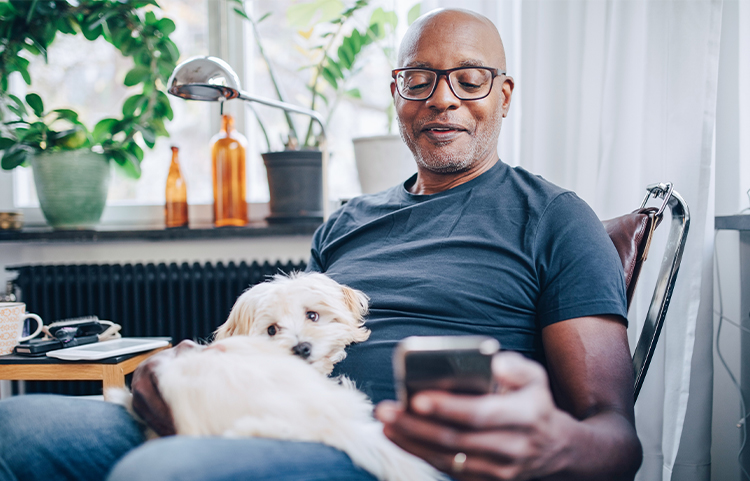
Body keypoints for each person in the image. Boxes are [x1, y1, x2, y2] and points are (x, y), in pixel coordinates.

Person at [0, 8, 642, 481]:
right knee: (16, 430)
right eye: (419, 79)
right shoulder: (346, 222)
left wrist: (551, 443)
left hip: (389, 453)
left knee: (168, 472)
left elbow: (615, 436)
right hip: (270, 415)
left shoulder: (555, 218)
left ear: (502, 96)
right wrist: (184, 364)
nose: (443, 99)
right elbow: (274, 343)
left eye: (470, 80)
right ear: (397, 94)